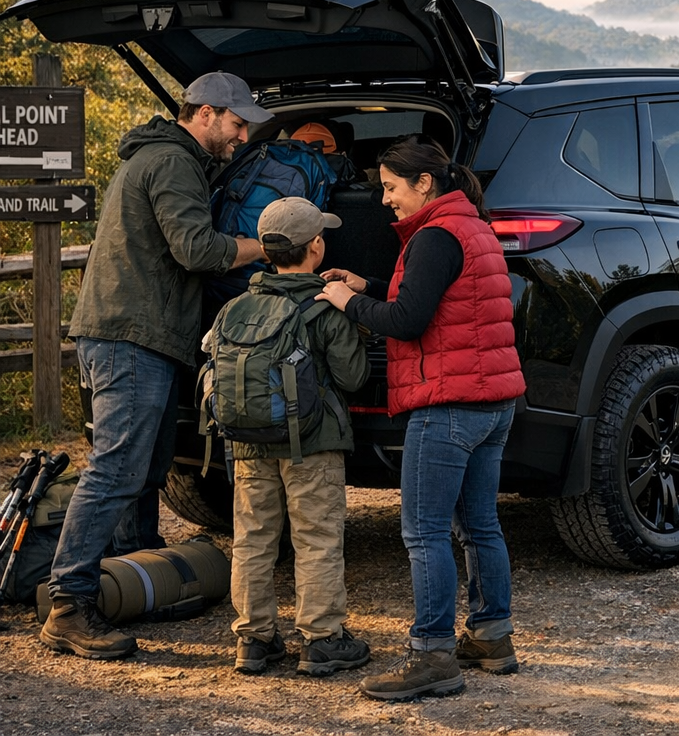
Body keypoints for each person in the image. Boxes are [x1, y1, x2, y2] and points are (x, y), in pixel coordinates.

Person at [41, 72, 273, 661]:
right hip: (130, 336)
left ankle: (137, 575)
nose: (241, 136)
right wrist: (266, 247)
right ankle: (69, 604)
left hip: (137, 334)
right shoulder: (172, 163)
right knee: (117, 469)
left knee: (146, 468)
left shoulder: (168, 158)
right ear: (204, 114)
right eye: (236, 123)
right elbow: (196, 249)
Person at [316, 134, 526, 702]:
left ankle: (431, 654)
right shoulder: (470, 226)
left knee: (424, 531)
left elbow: (408, 320)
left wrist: (346, 302)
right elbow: (438, 299)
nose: (385, 199)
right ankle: (491, 635)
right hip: (492, 402)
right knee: (479, 525)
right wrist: (370, 285)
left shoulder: (434, 236)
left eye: (390, 187)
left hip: (448, 406)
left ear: (423, 184)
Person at [228, 196, 371, 677]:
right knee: (316, 539)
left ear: (267, 251)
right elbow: (352, 378)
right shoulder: (324, 307)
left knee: (252, 540)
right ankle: (323, 638)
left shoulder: (236, 306)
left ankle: (254, 641)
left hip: (248, 444)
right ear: (316, 246)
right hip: (314, 444)